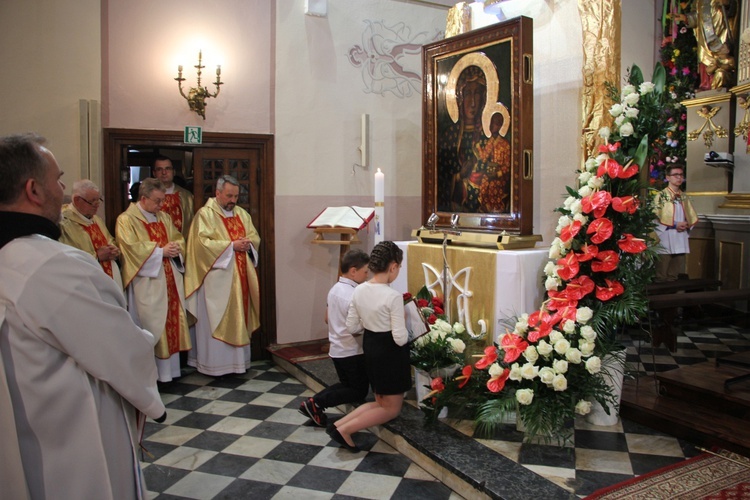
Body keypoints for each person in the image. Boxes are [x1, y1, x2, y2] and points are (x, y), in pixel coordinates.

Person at [0, 133, 166, 499]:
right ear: (33, 190)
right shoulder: (55, 267)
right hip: (70, 440)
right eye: (57, 179)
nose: (61, 189)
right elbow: (122, 351)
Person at [328, 241, 409, 452]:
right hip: (389, 352)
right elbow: (400, 338)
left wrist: (372, 320)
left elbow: (353, 325)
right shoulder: (392, 296)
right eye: (399, 267)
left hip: (370, 347)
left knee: (381, 401)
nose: (398, 271)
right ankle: (346, 430)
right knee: (391, 409)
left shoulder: (360, 289)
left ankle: (340, 425)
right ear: (392, 266)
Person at [116, 178, 191, 382]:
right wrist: (160, 252)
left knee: (170, 323)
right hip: (146, 283)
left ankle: (169, 373)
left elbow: (178, 238)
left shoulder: (164, 217)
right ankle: (149, 376)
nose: (161, 205)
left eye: (163, 200)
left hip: (168, 279)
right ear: (143, 198)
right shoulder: (126, 220)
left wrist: (175, 249)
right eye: (157, 201)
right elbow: (130, 249)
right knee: (150, 323)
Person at [185, 175, 261, 376]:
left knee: (240, 317)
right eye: (229, 196)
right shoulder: (205, 215)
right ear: (217, 193)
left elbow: (254, 236)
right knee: (215, 320)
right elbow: (200, 246)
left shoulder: (242, 214)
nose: (233, 200)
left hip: (240, 277)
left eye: (236, 196)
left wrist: (248, 243)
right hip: (215, 282)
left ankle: (238, 363)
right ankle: (214, 366)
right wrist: (231, 246)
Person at [299, 249, 371, 427]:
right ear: (353, 271)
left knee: (347, 384)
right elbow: (355, 328)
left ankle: (313, 404)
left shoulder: (335, 289)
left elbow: (326, 318)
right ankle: (317, 403)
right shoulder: (353, 294)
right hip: (351, 349)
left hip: (338, 348)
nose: (367, 275)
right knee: (357, 390)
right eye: (365, 271)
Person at [59, 179, 123, 290]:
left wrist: (114, 249)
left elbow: (109, 239)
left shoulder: (96, 219)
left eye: (98, 200)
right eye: (92, 201)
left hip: (109, 275)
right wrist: (97, 256)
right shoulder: (64, 222)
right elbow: (66, 257)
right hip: (85, 284)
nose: (97, 205)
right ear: (77, 200)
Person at [653, 165, 698, 281]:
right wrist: (674, 225)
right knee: (661, 275)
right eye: (675, 175)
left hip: (680, 238)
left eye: (681, 175)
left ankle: (675, 298)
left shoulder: (684, 196)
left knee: (675, 275)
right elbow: (654, 217)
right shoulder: (660, 196)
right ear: (668, 177)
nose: (679, 178)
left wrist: (687, 224)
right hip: (665, 238)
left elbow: (690, 215)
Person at [152, 155, 194, 237]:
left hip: (181, 244)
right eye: (159, 169)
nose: (164, 172)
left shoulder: (186, 196)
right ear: (154, 173)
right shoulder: (147, 196)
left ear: (174, 172)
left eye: (168, 168)